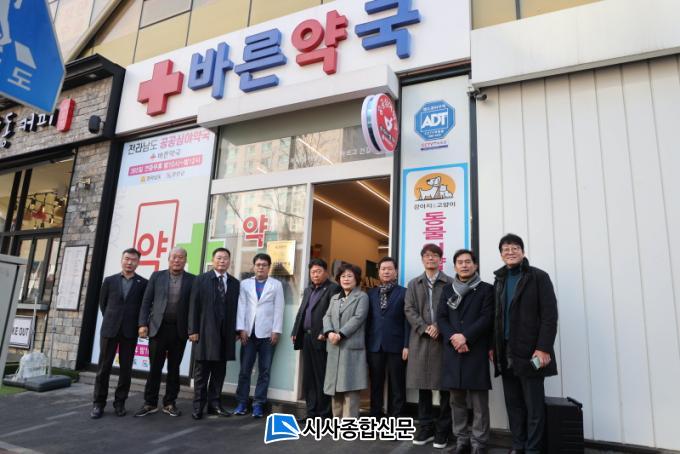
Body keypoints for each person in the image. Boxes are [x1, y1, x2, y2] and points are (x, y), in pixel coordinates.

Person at [491, 234, 558, 454]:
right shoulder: (499, 280)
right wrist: (493, 347)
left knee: (533, 405)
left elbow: (549, 316)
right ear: (501, 254)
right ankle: (518, 445)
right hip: (505, 351)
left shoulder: (538, 277)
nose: (510, 252)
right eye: (506, 249)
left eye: (515, 248)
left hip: (531, 351)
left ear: (522, 251)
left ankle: (533, 449)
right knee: (514, 403)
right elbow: (496, 317)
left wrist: (543, 348)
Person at [437, 249, 494, 454]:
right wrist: (455, 337)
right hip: (453, 350)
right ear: (454, 266)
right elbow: (441, 318)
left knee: (479, 402)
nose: (464, 265)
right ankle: (462, 440)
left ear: (475, 265)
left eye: (468, 262)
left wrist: (465, 337)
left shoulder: (486, 289)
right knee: (456, 400)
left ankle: (479, 443)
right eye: (460, 262)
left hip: (475, 350)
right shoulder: (447, 290)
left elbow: (487, 318)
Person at [135, 247, 196, 417]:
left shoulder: (192, 280)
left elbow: (194, 307)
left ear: (185, 260)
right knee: (155, 367)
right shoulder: (157, 276)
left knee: (174, 369)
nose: (177, 260)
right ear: (169, 259)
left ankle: (170, 403)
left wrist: (192, 329)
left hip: (179, 330)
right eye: (174, 257)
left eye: (181, 257)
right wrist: (142, 323)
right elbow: (146, 301)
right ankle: (150, 403)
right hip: (158, 329)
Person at [404, 243, 453, 448]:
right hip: (421, 340)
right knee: (423, 385)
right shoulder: (414, 283)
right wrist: (425, 328)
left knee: (445, 387)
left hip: (443, 340)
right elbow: (409, 309)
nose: (431, 258)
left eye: (434, 255)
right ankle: (425, 426)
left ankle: (443, 429)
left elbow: (454, 308)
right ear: (422, 259)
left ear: (440, 259)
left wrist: (439, 327)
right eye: (427, 255)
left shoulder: (450, 282)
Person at [91, 248, 148, 419]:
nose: (129, 262)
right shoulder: (109, 281)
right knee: (103, 368)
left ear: (138, 262)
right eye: (126, 259)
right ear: (122, 260)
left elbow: (144, 307)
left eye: (133, 260)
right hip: (110, 329)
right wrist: (113, 319)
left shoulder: (143, 283)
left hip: (130, 331)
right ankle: (98, 403)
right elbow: (103, 305)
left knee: (125, 370)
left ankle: (120, 403)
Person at [188, 247, 240, 420]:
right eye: (219, 258)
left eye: (225, 258)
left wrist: (237, 330)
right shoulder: (201, 279)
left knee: (219, 372)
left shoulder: (234, 283)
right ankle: (198, 406)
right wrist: (193, 330)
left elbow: (238, 309)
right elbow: (193, 305)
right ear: (213, 260)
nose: (222, 261)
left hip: (225, 334)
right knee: (201, 373)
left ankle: (214, 405)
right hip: (204, 332)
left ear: (229, 261)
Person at [234, 253, 285, 418]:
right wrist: (241, 329)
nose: (261, 267)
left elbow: (279, 308)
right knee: (245, 370)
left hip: (267, 335)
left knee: (264, 371)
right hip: (248, 334)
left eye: (264, 265)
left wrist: (276, 330)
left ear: (269, 267)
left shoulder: (276, 285)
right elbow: (241, 306)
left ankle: (258, 404)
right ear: (254, 266)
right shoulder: (245, 284)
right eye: (258, 265)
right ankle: (242, 403)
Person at [291, 258, 341, 419]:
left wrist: (325, 332)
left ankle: (324, 414)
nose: (315, 275)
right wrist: (295, 331)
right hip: (306, 337)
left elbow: (334, 314)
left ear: (326, 272)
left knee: (321, 376)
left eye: (319, 271)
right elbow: (302, 312)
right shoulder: (308, 290)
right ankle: (311, 412)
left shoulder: (333, 288)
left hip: (321, 338)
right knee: (308, 377)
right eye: (312, 272)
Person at [322, 262, 369, 418]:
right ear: (338, 279)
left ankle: (349, 424)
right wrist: (329, 332)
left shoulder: (362, 296)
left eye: (350, 276)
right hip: (334, 347)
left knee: (350, 388)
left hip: (351, 348)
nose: (346, 279)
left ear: (356, 279)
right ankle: (337, 422)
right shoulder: (335, 298)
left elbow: (358, 318)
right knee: (334, 388)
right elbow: (327, 316)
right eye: (343, 276)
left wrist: (340, 334)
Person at [366, 256, 409, 418]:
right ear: (379, 272)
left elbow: (407, 321)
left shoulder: (404, 292)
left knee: (397, 384)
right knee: (376, 383)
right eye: (383, 269)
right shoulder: (371, 293)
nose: (386, 272)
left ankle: (397, 419)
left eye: (389, 269)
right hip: (375, 345)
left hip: (396, 345)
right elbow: (368, 321)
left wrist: (407, 345)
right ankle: (375, 416)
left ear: (396, 272)